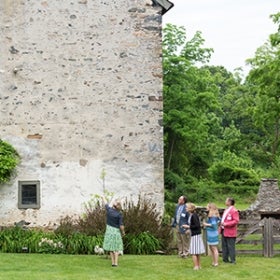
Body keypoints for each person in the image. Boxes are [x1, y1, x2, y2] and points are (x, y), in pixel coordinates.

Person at [102, 197, 125, 267]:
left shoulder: (109, 210)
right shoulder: (119, 214)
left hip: (109, 231)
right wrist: (123, 232)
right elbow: (121, 225)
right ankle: (116, 263)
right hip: (116, 231)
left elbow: (105, 203)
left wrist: (103, 197)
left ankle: (112, 263)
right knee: (116, 248)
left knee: (111, 248)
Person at [182, 203, 205, 270]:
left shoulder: (193, 216)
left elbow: (197, 225)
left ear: (190, 208)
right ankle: (199, 265)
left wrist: (188, 227)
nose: (185, 208)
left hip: (195, 235)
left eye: (186, 207)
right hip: (195, 234)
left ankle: (196, 266)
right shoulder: (192, 215)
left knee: (194, 252)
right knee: (197, 251)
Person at [220, 197, 239, 264]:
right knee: (224, 245)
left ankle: (233, 260)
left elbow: (236, 221)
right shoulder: (226, 210)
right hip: (224, 230)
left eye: (226, 200)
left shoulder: (234, 211)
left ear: (230, 202)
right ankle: (225, 259)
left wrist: (226, 224)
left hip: (230, 231)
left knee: (231, 246)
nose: (225, 202)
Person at [203, 203, 221, 267]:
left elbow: (214, 225)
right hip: (210, 233)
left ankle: (216, 262)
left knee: (214, 248)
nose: (206, 208)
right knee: (211, 248)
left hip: (213, 234)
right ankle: (213, 261)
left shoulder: (213, 216)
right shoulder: (212, 216)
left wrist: (206, 224)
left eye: (207, 207)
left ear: (210, 208)